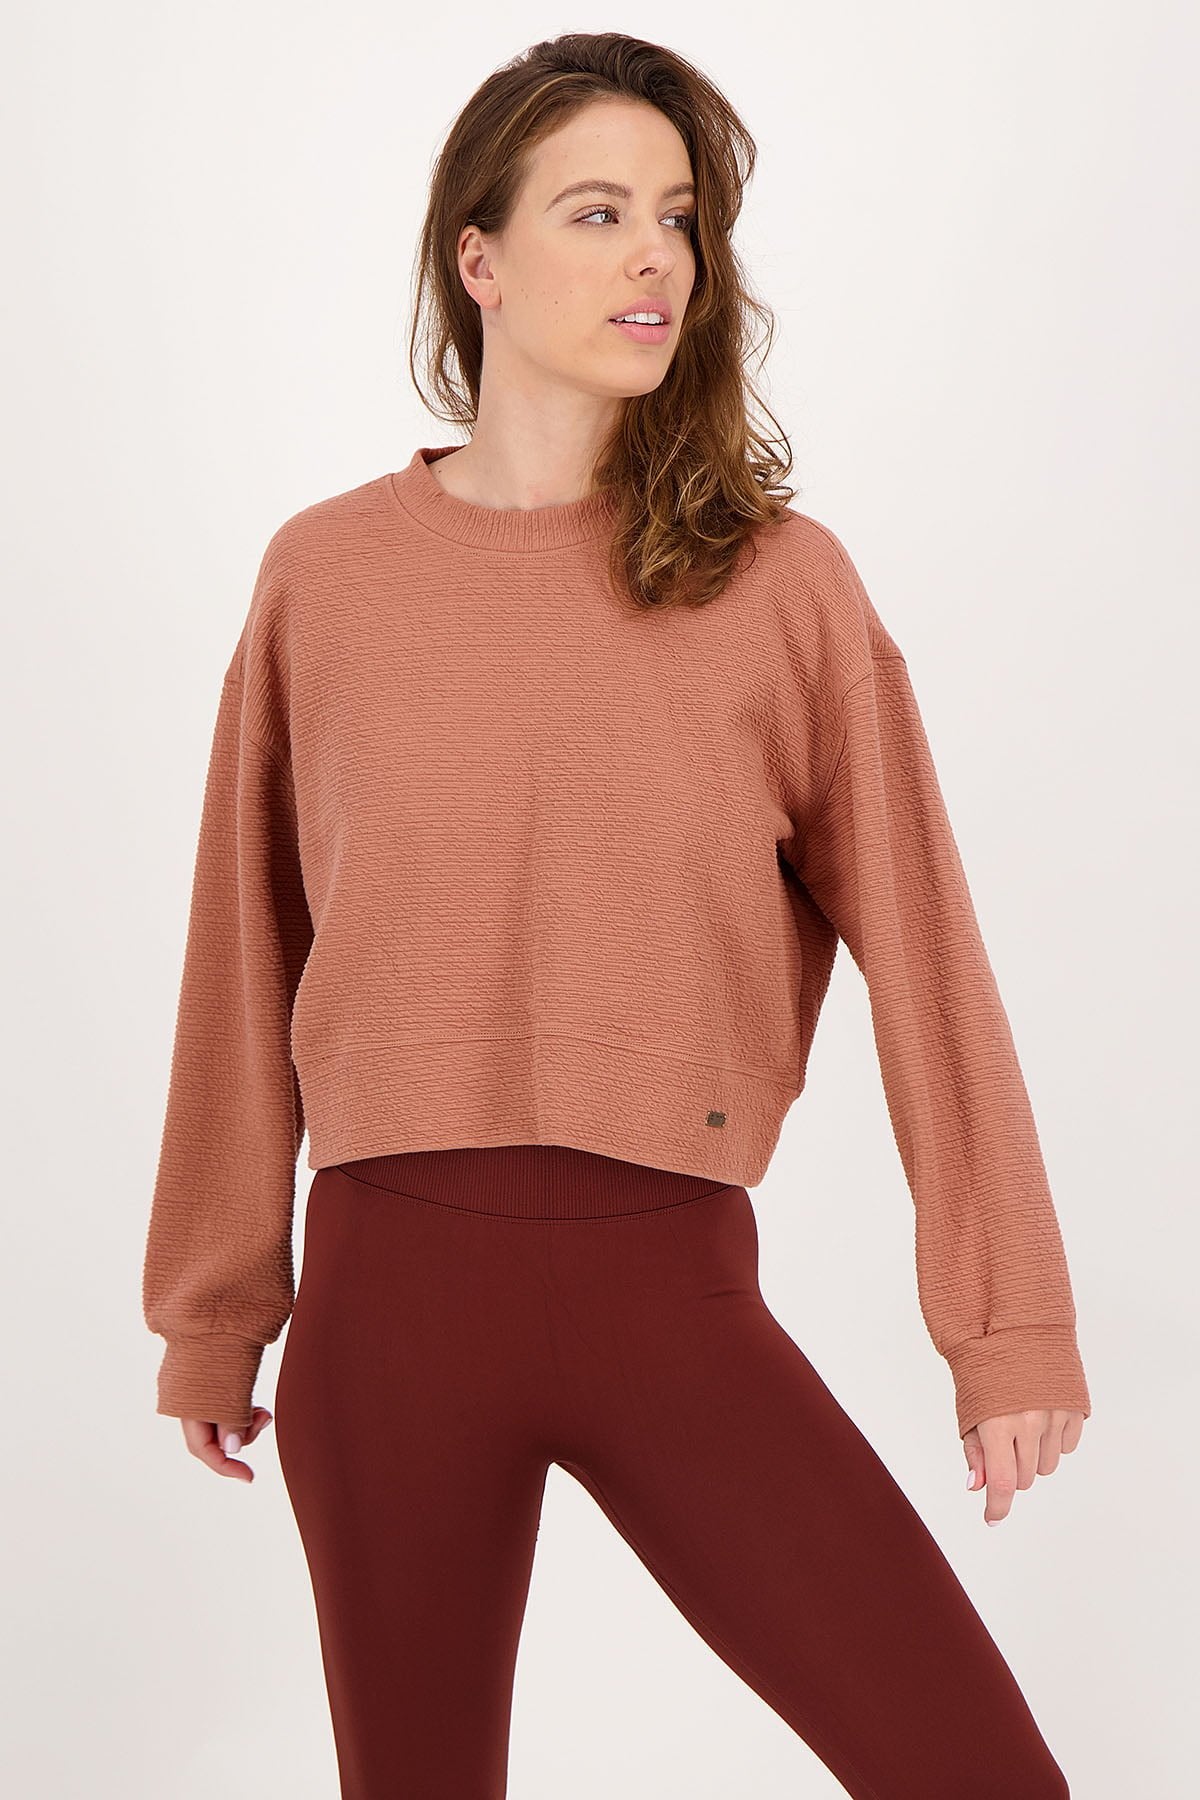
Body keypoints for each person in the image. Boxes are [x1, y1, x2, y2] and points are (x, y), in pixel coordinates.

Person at [142, 31, 1091, 1800]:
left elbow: (930, 956)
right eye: (598, 212)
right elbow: (242, 950)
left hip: (671, 1291)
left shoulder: (779, 584)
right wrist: (216, 1304)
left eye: (679, 217)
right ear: (479, 258)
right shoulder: (324, 577)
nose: (657, 255)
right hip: (385, 1309)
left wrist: (1006, 1323)